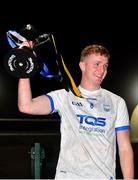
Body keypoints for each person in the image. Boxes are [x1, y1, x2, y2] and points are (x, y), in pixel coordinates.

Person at [18, 44, 134, 179]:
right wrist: (25, 64)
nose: (102, 70)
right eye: (97, 64)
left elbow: (125, 148)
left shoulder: (117, 102)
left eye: (105, 65)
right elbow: (26, 106)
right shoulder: (64, 96)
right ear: (82, 66)